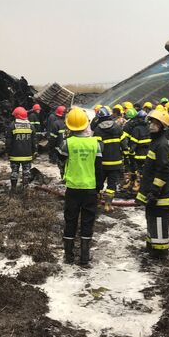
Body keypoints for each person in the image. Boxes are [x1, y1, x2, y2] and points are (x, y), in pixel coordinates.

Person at [59, 108, 103, 266]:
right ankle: (84, 256)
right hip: (90, 189)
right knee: (87, 221)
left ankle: (68, 256)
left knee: (70, 220)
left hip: (72, 188)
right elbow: (99, 168)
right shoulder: (95, 143)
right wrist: (98, 188)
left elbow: (61, 159)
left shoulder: (67, 143)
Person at [135, 108, 169, 259]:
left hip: (159, 196)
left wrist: (155, 190)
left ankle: (160, 252)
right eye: (151, 121)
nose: (151, 125)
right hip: (152, 193)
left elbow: (163, 170)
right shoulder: (155, 142)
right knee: (151, 220)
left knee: (158, 222)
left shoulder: (162, 144)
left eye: (156, 123)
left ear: (162, 126)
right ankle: (152, 247)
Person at [92, 106, 127, 212]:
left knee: (98, 183)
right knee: (112, 185)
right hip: (116, 163)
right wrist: (126, 156)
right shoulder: (117, 127)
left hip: (102, 163)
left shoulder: (98, 130)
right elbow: (124, 145)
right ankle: (108, 205)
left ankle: (97, 203)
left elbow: (96, 148)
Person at [7, 106, 37, 194]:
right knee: (26, 172)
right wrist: (34, 151)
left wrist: (7, 152)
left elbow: (8, 141)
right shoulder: (31, 126)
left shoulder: (12, 126)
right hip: (27, 155)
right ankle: (25, 189)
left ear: (16, 115)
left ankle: (13, 188)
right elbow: (34, 141)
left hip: (14, 155)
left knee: (14, 172)